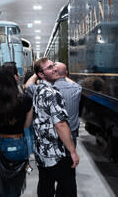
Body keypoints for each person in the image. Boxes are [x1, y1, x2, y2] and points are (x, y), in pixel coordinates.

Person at [31, 57, 79, 197]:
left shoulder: (38, 90)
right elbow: (60, 124)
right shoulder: (53, 93)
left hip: (42, 151)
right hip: (56, 153)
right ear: (41, 74)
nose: (55, 69)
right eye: (50, 68)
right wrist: (72, 151)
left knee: (45, 185)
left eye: (54, 66)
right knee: (67, 188)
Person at [0, 62, 33, 197]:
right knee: (15, 188)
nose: (19, 76)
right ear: (14, 77)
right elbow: (26, 125)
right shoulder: (26, 100)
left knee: (2, 188)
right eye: (17, 73)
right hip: (18, 144)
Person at [25, 62, 82, 146]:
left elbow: (28, 85)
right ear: (66, 73)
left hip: (52, 135)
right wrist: (64, 75)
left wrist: (36, 74)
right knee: (69, 157)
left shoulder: (43, 90)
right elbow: (75, 84)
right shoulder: (77, 88)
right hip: (71, 133)